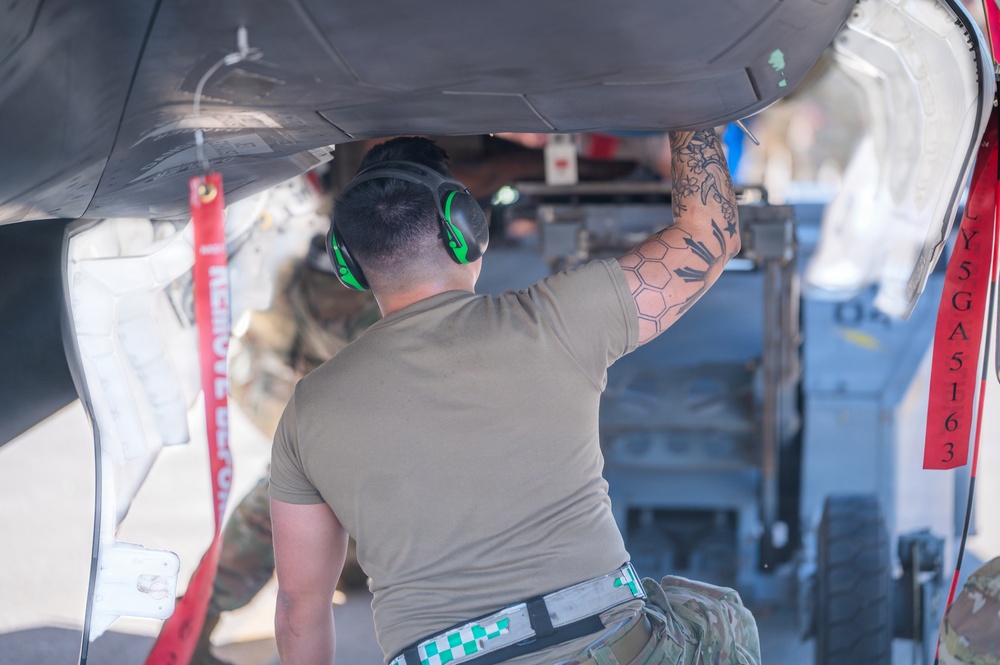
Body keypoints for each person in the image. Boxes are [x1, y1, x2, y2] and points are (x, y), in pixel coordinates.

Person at [269, 131, 760, 664]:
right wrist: (692, 113)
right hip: (599, 645)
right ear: (466, 230)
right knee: (716, 615)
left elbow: (299, 607)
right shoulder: (553, 320)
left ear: (347, 262)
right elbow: (709, 236)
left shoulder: (307, 410)